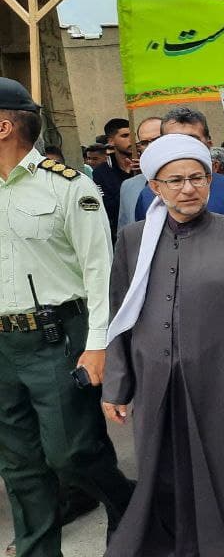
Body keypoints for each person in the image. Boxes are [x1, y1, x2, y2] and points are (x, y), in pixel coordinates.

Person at [101, 133, 224, 556]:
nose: (188, 188)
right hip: (157, 385)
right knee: (167, 478)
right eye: (176, 180)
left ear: (210, 181)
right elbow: (119, 314)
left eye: (197, 178)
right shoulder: (133, 240)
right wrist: (116, 385)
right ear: (155, 186)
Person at [0, 77, 134, 557]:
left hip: (57, 337)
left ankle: (131, 504)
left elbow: (100, 274)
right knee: (20, 465)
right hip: (3, 347)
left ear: (3, 126)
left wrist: (98, 345)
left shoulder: (68, 187)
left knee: (69, 454)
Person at [132, 108, 224, 224]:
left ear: (208, 144)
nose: (184, 146)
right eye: (175, 140)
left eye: (192, 140)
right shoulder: (148, 196)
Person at [93, 117, 135, 241]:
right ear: (111, 141)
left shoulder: (145, 165)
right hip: (122, 235)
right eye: (125, 136)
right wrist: (127, 176)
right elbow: (108, 208)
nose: (132, 140)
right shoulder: (101, 172)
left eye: (133, 135)